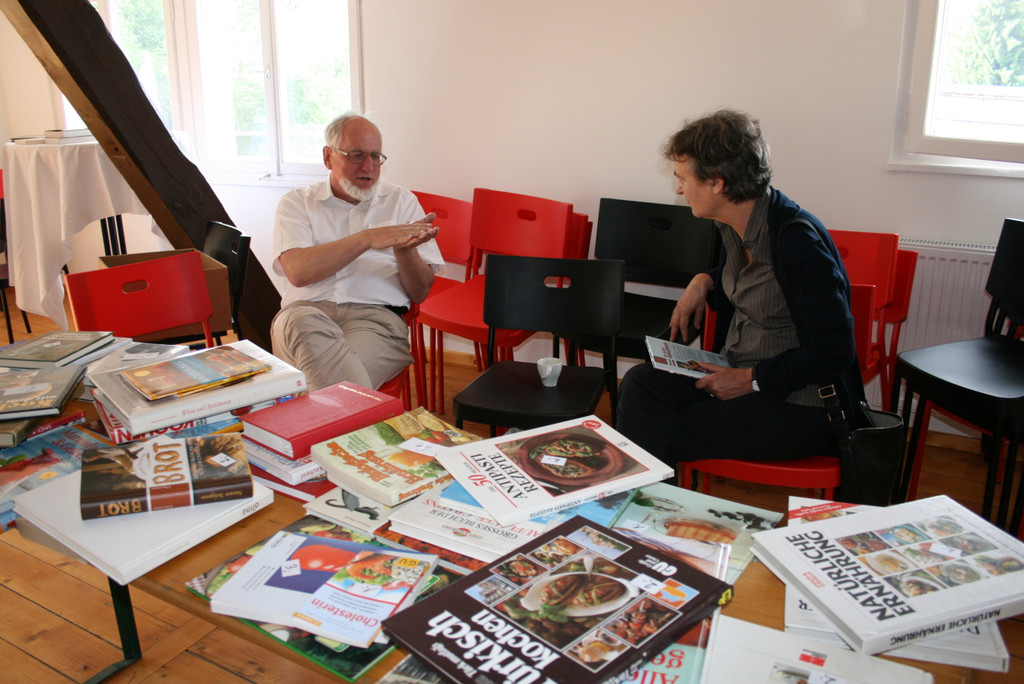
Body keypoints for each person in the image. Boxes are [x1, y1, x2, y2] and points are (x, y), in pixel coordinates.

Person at [616, 108, 865, 469]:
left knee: (661, 427)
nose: (679, 189)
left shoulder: (799, 243)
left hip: (800, 403)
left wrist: (751, 379)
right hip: (741, 373)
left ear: (717, 183)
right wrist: (704, 280)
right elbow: (755, 280)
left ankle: (644, 502)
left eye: (683, 178)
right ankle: (643, 499)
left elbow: (835, 351)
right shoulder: (734, 226)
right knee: (640, 383)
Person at [270, 113, 444, 391]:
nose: (368, 166)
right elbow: (298, 272)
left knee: (326, 386)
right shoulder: (297, 202)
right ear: (328, 157)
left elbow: (420, 292)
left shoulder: (401, 201)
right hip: (305, 315)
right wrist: (366, 239)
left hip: (375, 321)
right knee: (304, 329)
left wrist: (405, 252)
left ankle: (315, 410)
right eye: (356, 155)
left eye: (376, 156)